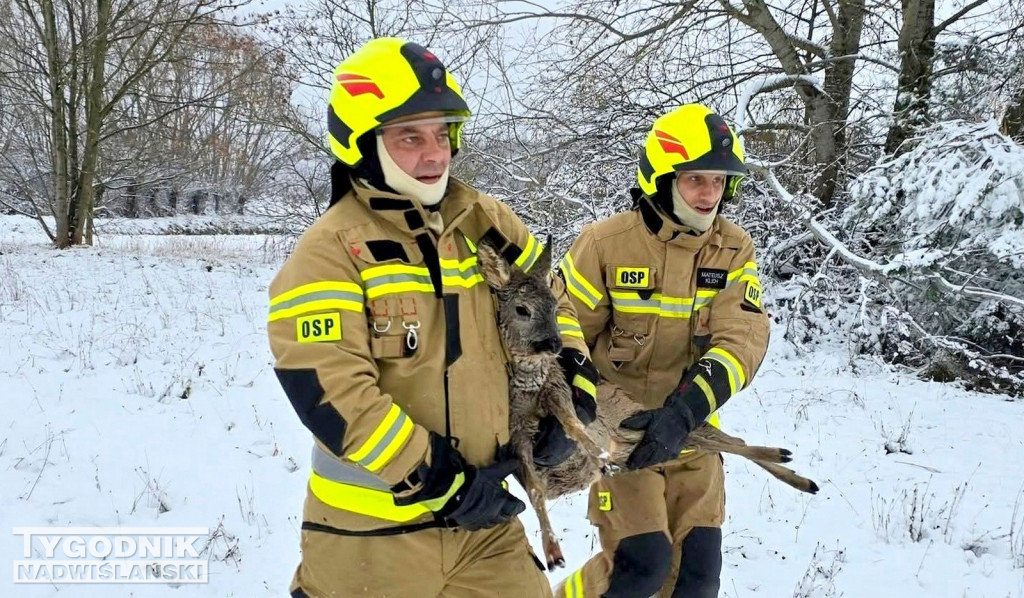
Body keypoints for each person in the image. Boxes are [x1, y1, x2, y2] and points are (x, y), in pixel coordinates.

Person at [266, 37, 599, 597]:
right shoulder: (329, 251)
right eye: (410, 137)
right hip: (370, 537)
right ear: (364, 143)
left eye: (442, 134)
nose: (434, 154)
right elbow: (331, 390)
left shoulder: (484, 220)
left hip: (486, 524)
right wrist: (440, 478)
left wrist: (577, 390)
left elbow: (553, 302)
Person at [554, 104, 771, 598]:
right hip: (622, 434)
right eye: (696, 179)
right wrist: (594, 406)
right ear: (662, 178)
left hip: (692, 430)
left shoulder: (733, 248)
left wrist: (686, 410)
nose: (708, 193)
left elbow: (743, 337)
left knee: (697, 579)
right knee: (640, 568)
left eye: (719, 181)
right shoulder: (604, 243)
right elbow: (563, 327)